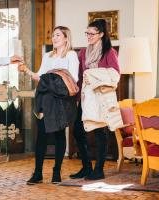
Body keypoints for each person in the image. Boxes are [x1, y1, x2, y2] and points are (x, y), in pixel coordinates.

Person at [18, 26, 79, 185]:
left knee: (59, 135)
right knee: (42, 136)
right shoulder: (47, 56)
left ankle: (56, 171)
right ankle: (37, 173)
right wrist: (26, 70)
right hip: (45, 100)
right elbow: (40, 77)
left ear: (66, 38)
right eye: (53, 35)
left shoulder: (71, 55)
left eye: (58, 35)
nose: (54, 37)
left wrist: (53, 78)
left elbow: (73, 79)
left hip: (61, 102)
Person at [69, 19, 120, 180]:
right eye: (87, 33)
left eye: (92, 33)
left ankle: (99, 169)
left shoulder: (109, 52)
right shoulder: (83, 52)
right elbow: (79, 76)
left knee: (99, 132)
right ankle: (86, 167)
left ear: (101, 34)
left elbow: (115, 74)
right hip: (85, 97)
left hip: (100, 97)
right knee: (78, 130)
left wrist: (95, 75)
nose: (88, 36)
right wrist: (76, 96)